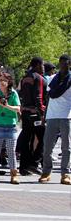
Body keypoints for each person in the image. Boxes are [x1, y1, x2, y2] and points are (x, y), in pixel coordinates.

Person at [39, 54, 71, 185]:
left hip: (66, 116)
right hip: (51, 116)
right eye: (61, 63)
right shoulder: (52, 78)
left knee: (66, 147)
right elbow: (48, 98)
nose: (63, 65)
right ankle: (46, 172)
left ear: (70, 64)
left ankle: (65, 173)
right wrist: (44, 116)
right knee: (47, 146)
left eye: (66, 63)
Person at [18, 57, 47, 176]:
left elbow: (21, 94)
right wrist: (41, 112)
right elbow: (38, 96)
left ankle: (24, 167)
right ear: (37, 65)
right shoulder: (39, 78)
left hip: (25, 112)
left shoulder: (25, 78)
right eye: (42, 65)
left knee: (27, 138)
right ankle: (34, 163)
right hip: (36, 113)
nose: (43, 68)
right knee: (44, 138)